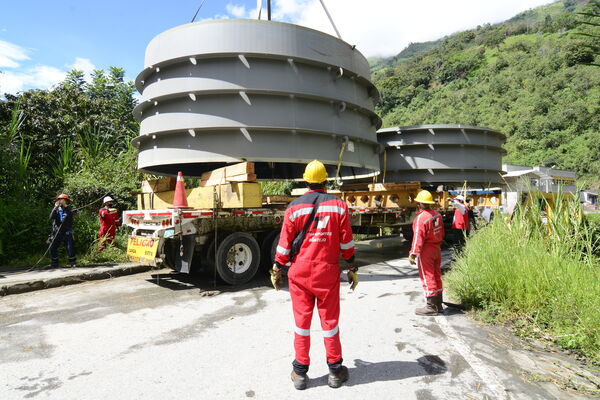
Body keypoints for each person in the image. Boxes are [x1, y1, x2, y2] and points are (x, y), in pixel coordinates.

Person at [270, 160, 357, 390]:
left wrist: (277, 268)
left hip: (299, 274)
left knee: (301, 323)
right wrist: (352, 266)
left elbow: (284, 245)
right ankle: (335, 371)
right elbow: (347, 242)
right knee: (330, 323)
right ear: (325, 181)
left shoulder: (293, 207)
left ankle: (300, 373)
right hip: (327, 273)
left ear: (306, 180)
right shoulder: (339, 206)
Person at [408, 190, 445, 315]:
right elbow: (441, 233)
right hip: (437, 249)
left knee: (427, 276)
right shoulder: (437, 215)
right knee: (436, 275)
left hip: (427, 251)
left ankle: (431, 307)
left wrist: (413, 253)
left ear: (420, 203)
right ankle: (438, 304)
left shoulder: (421, 218)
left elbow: (418, 237)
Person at [49, 193, 77, 268]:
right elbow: (51, 217)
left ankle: (72, 262)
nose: (60, 201)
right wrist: (55, 208)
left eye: (62, 200)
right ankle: (54, 263)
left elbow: (75, 213)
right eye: (59, 200)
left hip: (67, 231)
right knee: (52, 246)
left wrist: (66, 207)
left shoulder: (69, 209)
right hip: (57, 231)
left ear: (66, 201)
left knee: (70, 247)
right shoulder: (57, 209)